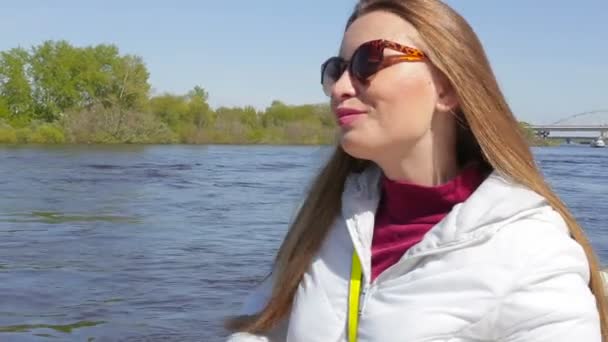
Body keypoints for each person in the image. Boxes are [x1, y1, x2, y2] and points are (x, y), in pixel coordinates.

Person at [225, 0, 607, 341]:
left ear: (446, 88)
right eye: (336, 68)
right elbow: (260, 331)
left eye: (368, 61)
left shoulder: (530, 249)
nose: (339, 87)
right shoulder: (326, 219)